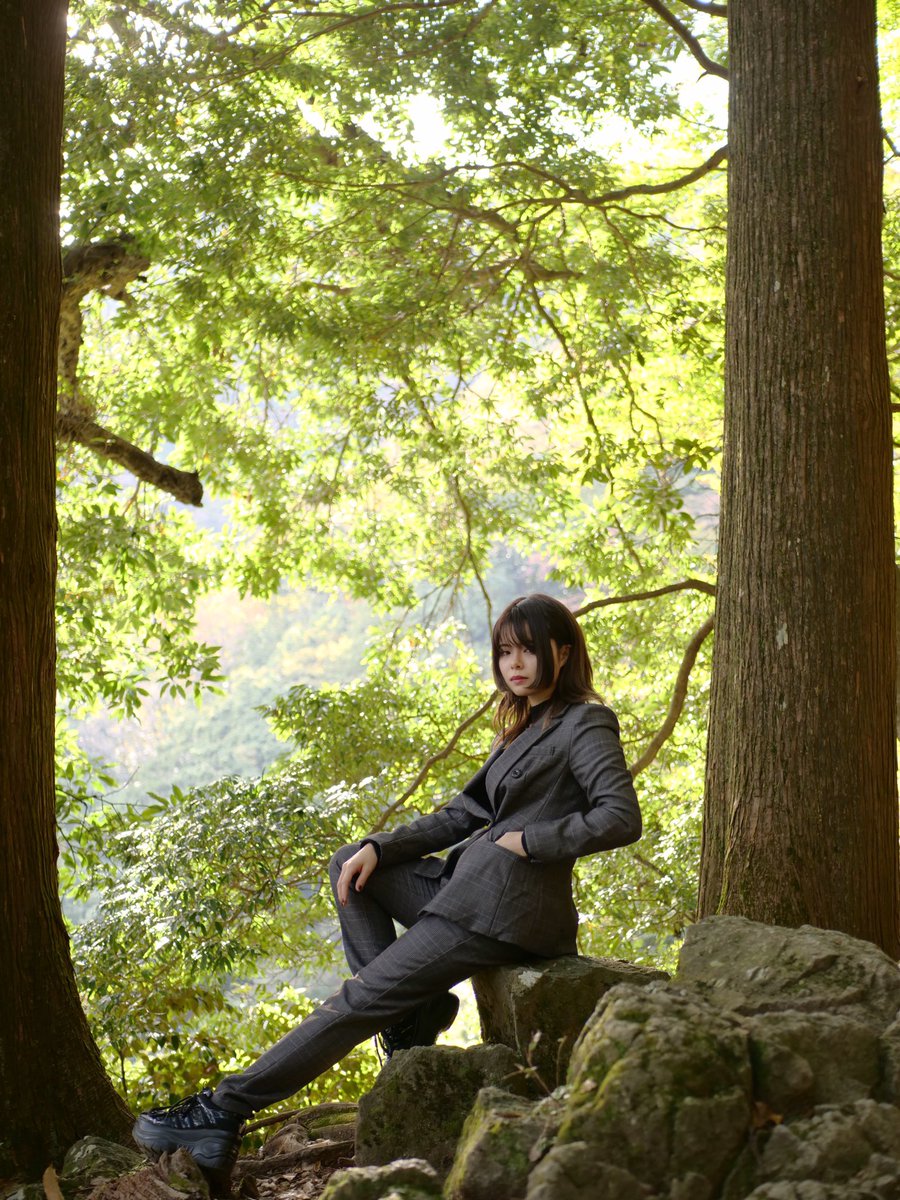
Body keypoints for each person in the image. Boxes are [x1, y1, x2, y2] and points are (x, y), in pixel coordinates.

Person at [132, 593, 642, 1179]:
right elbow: (461, 814)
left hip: (504, 909)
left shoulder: (585, 721)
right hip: (466, 888)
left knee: (359, 999)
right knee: (351, 868)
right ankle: (414, 1013)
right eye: (505, 651)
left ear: (564, 651)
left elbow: (619, 817)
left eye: (528, 649)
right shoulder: (518, 728)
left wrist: (528, 841)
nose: (515, 663)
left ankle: (221, 1110)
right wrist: (380, 847)